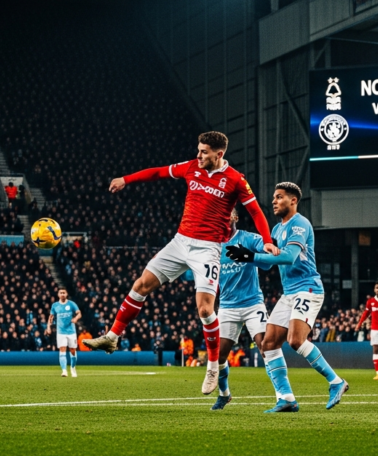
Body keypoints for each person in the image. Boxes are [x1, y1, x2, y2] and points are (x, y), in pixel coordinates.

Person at [84, 131, 276, 396]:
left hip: (208, 249)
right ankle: (113, 336)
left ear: (219, 154)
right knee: (140, 285)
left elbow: (255, 211)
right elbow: (158, 172)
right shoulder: (191, 167)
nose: (198, 155)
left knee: (205, 309)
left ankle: (212, 366)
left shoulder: (236, 179)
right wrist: (126, 179)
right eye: (198, 150)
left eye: (204, 152)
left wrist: (267, 240)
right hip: (180, 242)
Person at [227, 182, 348, 413]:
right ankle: (286, 398)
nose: (274, 201)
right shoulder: (276, 230)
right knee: (268, 343)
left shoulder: (300, 224)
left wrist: (250, 256)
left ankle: (336, 382)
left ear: (293, 200)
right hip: (290, 292)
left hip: (307, 288)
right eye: (274, 197)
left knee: (295, 340)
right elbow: (267, 262)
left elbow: (289, 257)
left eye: (279, 197)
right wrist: (246, 256)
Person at [210, 209, 270, 411]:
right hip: (227, 306)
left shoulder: (249, 238)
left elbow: (268, 259)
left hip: (253, 303)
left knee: (266, 348)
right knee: (218, 356)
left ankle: (283, 395)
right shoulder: (213, 246)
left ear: (235, 217)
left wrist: (250, 255)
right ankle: (224, 394)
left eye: (227, 214)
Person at [47, 288, 82, 377]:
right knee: (62, 349)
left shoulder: (71, 304)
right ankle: (64, 371)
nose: (62, 294)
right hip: (61, 332)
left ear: (66, 294)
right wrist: (48, 327)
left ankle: (73, 368)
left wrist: (76, 318)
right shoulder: (55, 305)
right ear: (58, 294)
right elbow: (51, 317)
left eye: (64, 293)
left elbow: (79, 313)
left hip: (71, 331)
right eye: (61, 293)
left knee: (72, 350)